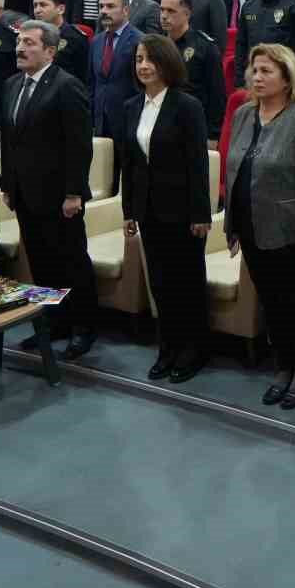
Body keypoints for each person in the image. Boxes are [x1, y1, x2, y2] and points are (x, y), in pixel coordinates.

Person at [225, 44, 295, 403]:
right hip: (250, 226)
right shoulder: (243, 114)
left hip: (288, 232)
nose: (257, 77)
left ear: (287, 78)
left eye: (267, 71)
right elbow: (233, 170)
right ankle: (282, 365)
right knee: (269, 302)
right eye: (254, 70)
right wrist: (232, 226)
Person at [1, 20, 98, 359]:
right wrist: (8, 185)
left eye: (29, 43)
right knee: (41, 263)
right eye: (19, 42)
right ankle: (52, 322)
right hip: (25, 193)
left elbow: (79, 145)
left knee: (72, 262)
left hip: (60, 196)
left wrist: (74, 192)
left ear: (50, 51)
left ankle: (83, 328)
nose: (20, 48)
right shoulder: (12, 85)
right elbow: (10, 143)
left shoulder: (66, 86)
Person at [121, 34, 214, 383]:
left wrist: (201, 214)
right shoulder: (132, 106)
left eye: (151, 59)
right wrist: (128, 210)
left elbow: (197, 165)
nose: (143, 66)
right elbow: (129, 164)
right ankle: (168, 347)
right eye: (139, 59)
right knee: (160, 283)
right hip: (147, 209)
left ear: (167, 64)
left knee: (186, 282)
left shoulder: (186, 105)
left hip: (182, 211)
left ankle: (195, 349)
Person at [159, 0, 225, 140]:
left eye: (171, 11)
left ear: (187, 14)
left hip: (191, 125)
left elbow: (217, 95)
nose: (164, 16)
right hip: (159, 122)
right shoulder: (156, 45)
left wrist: (213, 135)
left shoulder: (205, 47)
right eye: (162, 10)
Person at [89, 0, 142, 139]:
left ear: (125, 10)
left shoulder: (140, 41)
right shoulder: (96, 41)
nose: (104, 11)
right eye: (101, 7)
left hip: (128, 122)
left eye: (110, 6)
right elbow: (92, 83)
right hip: (100, 122)